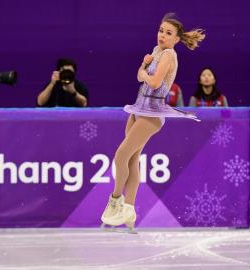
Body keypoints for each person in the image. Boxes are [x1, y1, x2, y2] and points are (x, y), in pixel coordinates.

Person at [100, 13, 205, 231]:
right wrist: (145, 69)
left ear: (176, 39)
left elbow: (154, 82)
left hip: (153, 112)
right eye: (160, 30)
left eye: (168, 33)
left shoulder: (168, 55)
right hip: (139, 107)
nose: (162, 36)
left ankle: (115, 201)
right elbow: (139, 75)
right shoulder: (157, 51)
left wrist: (145, 71)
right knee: (131, 160)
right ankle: (128, 211)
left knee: (120, 155)